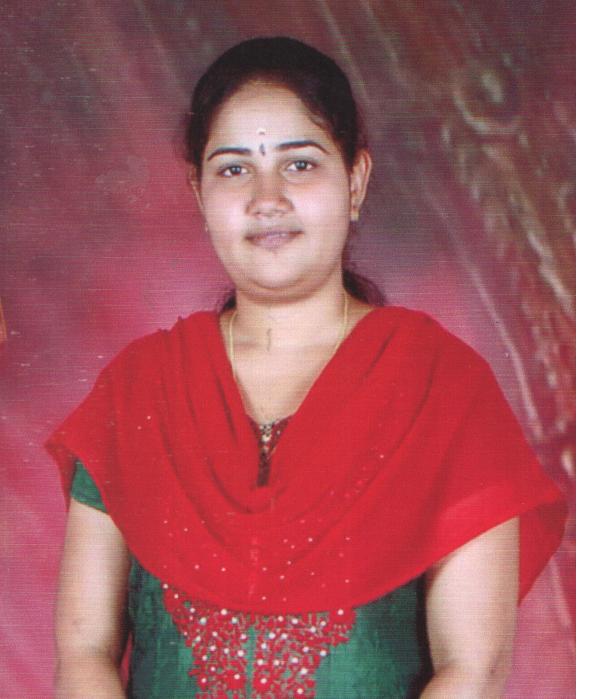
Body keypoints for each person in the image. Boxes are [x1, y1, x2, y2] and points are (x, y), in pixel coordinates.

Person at [47, 37, 566, 699]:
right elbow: (83, 650)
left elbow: (474, 667)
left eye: (299, 164)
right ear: (199, 193)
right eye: (233, 169)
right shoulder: (137, 389)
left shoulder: (444, 388)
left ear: (356, 180)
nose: (267, 198)